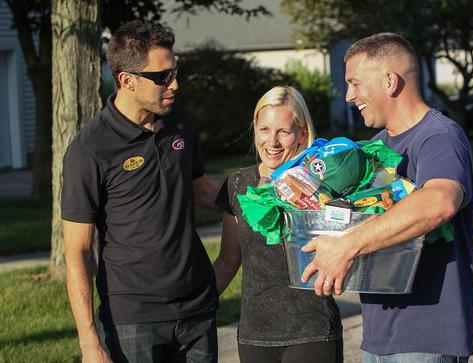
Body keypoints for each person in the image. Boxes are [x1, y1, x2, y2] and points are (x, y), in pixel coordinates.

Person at [301, 33, 473, 362]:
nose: (349, 96)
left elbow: (440, 200)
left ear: (390, 81)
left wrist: (348, 244)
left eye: (355, 83)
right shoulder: (378, 147)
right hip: (380, 335)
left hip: (427, 338)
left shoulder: (438, 136)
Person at [62, 20, 221, 363]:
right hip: (132, 320)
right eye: (162, 76)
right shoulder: (89, 150)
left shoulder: (181, 122)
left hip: (197, 310)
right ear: (127, 80)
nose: (174, 84)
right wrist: (90, 343)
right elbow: (78, 252)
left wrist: (270, 188)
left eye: (175, 71)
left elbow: (202, 191)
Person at [213, 86, 344, 363]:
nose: (272, 142)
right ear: (254, 129)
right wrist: (195, 308)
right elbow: (227, 261)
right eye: (264, 129)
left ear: (302, 133)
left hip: (312, 332)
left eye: (283, 131)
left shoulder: (322, 183)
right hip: (254, 336)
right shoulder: (237, 185)